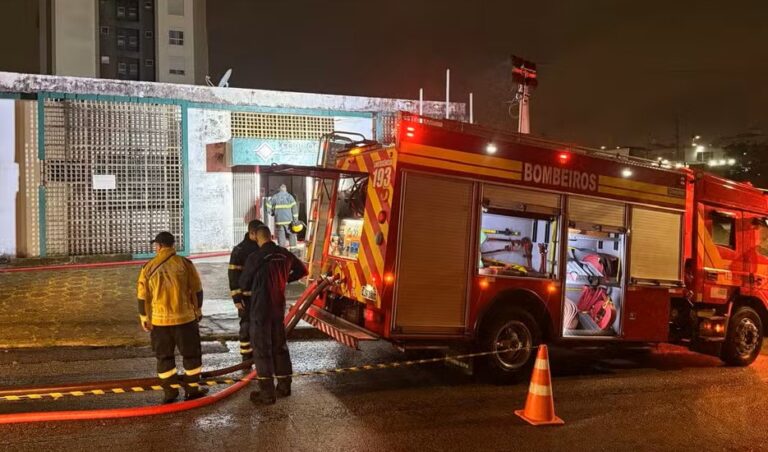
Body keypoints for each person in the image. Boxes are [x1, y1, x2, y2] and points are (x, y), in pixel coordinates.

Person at [239, 226, 308, 405]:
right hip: (278, 308)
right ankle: (284, 386)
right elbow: (303, 270)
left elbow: (243, 283)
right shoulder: (284, 254)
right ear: (271, 236)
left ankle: (267, 394)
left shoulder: (255, 257)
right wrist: (285, 278)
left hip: (260, 309)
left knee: (262, 350)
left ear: (257, 238)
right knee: (280, 347)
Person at [137, 231, 208, 404]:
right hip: (185, 319)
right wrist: (198, 310)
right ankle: (192, 390)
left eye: (156, 245)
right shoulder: (185, 264)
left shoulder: (148, 267)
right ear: (173, 245)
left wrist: (144, 318)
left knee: (164, 357)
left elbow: (142, 296)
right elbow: (197, 289)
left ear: (159, 246)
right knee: (191, 355)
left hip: (159, 322)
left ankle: (170, 392)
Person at [228, 219, 264, 363]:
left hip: (261, 296)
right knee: (246, 326)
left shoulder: (262, 247)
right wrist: (236, 298)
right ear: (252, 233)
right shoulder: (239, 250)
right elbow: (233, 275)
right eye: (259, 234)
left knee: (261, 326)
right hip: (245, 298)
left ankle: (259, 355)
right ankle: (246, 356)